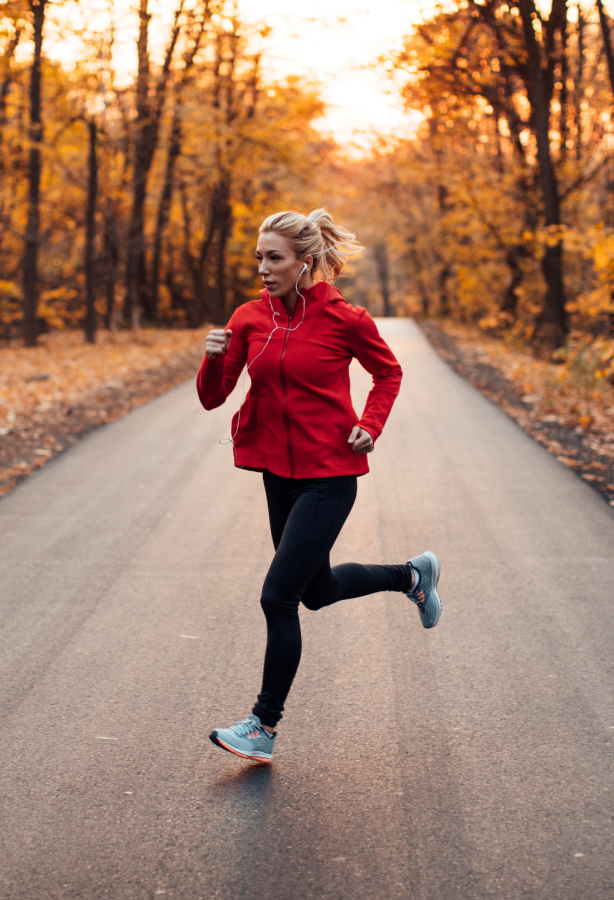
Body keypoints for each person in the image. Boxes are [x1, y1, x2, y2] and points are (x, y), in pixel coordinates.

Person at [197, 208, 442, 763]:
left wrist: (370, 424)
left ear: (305, 262)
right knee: (315, 590)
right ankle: (410, 574)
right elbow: (214, 397)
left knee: (277, 596)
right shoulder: (249, 319)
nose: (263, 268)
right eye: (259, 257)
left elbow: (389, 373)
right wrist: (211, 362)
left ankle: (263, 725)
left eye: (274, 258)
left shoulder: (345, 319)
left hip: (329, 476)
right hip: (277, 476)